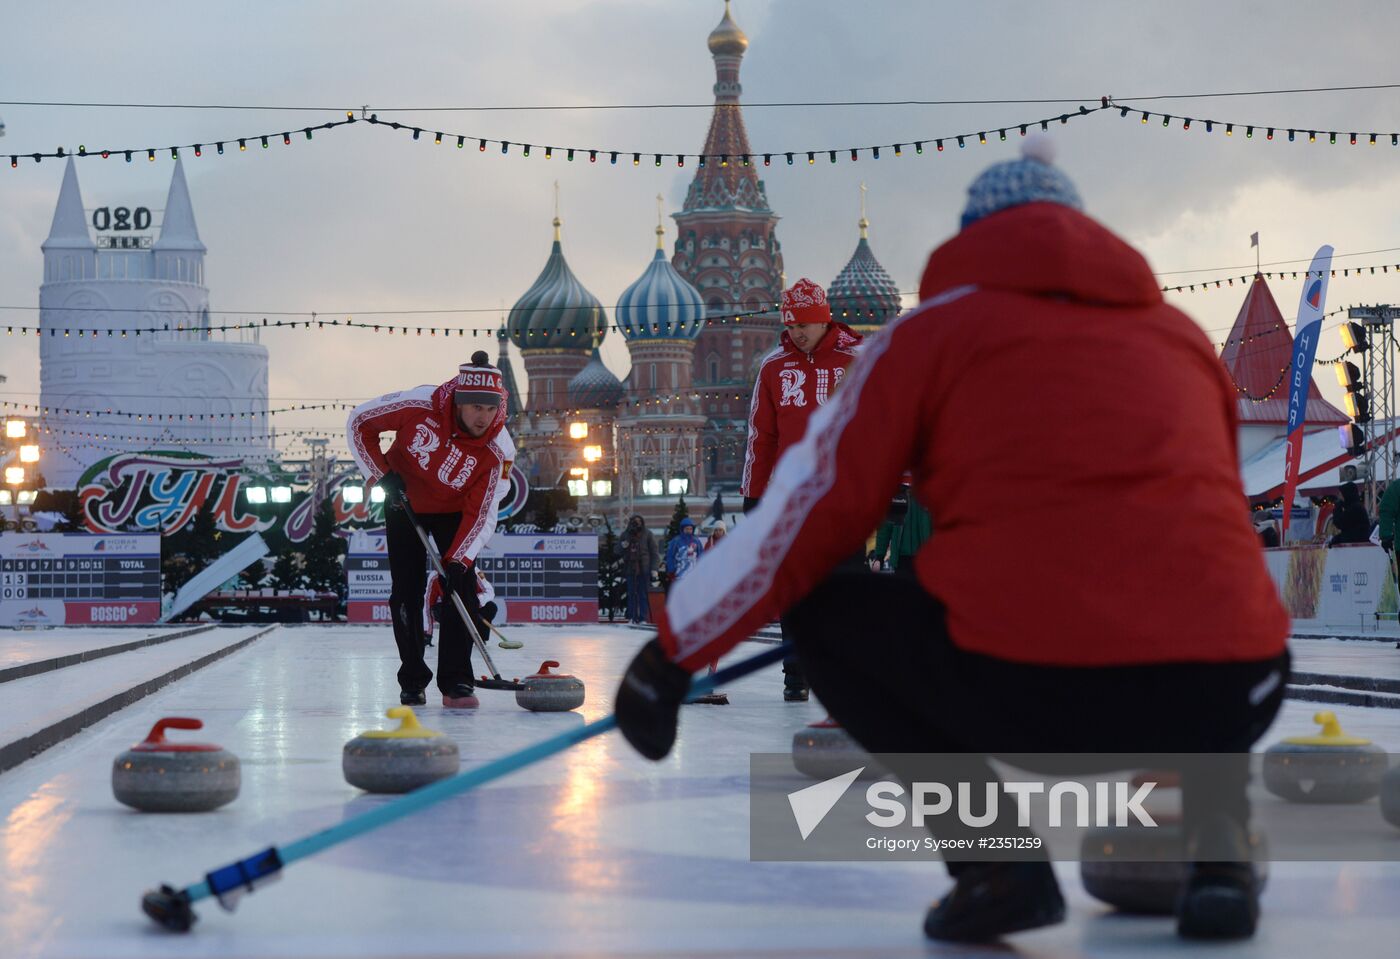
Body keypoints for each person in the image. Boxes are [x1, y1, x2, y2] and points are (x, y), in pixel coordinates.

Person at [614, 136, 1288, 943]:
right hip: (1233, 687)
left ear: (972, 237)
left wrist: (675, 650)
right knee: (1204, 614)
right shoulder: (1180, 337)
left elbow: (808, 514)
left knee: (827, 611)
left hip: (1032, 690)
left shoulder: (926, 338)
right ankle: (1218, 858)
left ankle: (996, 865)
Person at [347, 350, 515, 708]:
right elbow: (359, 422)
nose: (483, 417)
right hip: (402, 500)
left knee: (462, 589)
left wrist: (458, 560)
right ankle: (412, 679)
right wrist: (380, 476)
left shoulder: (499, 449)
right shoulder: (420, 404)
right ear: (458, 401)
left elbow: (482, 513)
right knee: (405, 593)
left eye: (490, 408)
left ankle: (456, 682)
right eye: (475, 408)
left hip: (456, 511)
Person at [741, 277, 863, 700]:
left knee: (845, 587)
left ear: (824, 321)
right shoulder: (774, 366)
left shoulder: (858, 360)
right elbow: (762, 437)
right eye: (791, 325)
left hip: (844, 497)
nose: (797, 333)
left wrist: (898, 486)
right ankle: (797, 673)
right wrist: (754, 495)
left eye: (805, 325)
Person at [870, 483, 931, 575]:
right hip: (901, 560)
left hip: (927, 559)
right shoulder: (894, 494)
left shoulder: (932, 492)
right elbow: (885, 527)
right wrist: (879, 556)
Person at [619, 515, 660, 624]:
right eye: (634, 522)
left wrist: (654, 568)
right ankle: (632, 616)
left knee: (642, 594)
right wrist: (622, 546)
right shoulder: (625, 534)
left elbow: (654, 553)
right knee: (631, 593)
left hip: (644, 569)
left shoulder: (648, 534)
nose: (636, 524)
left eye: (638, 522)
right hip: (630, 568)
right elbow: (617, 550)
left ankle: (642, 618)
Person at [663, 517, 704, 587]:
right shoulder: (676, 541)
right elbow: (670, 556)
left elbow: (701, 555)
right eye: (687, 529)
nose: (689, 531)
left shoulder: (696, 541)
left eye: (690, 529)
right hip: (679, 573)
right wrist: (671, 570)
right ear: (682, 529)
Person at [1327, 482, 1371, 546]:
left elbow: (1339, 522)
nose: (1339, 496)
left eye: (1341, 494)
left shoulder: (1355, 508)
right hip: (1356, 542)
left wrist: (1337, 507)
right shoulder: (1354, 507)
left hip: (1358, 543)